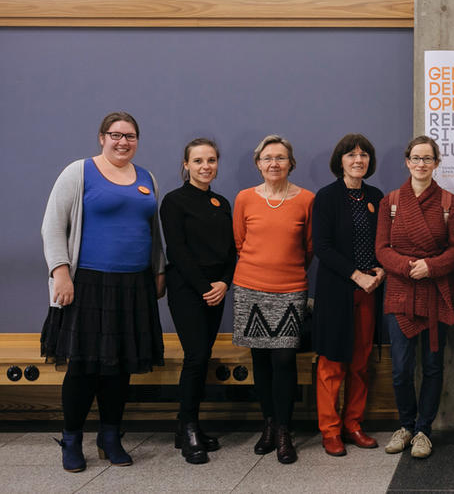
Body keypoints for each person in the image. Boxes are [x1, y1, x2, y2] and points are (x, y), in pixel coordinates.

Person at [41, 111, 166, 472]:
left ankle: (110, 437)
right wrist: (61, 273)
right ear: (101, 137)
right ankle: (71, 439)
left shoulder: (147, 178)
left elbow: (153, 231)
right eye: (115, 134)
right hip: (87, 285)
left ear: (137, 141)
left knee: (119, 368)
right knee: (82, 368)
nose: (122, 141)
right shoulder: (78, 172)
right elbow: (52, 225)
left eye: (130, 136)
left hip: (134, 286)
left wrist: (158, 271)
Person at [375, 135, 454, 459]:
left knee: (433, 365)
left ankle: (424, 429)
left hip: (435, 289)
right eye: (416, 158)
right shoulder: (391, 202)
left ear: (437, 163)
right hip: (400, 289)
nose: (421, 164)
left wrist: (431, 266)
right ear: (407, 162)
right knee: (400, 368)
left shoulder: (449, 202)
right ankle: (405, 425)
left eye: (428, 158)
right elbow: (381, 249)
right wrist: (407, 266)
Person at [232, 134, 314, 465]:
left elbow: (309, 247)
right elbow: (240, 241)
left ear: (290, 163)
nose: (274, 163)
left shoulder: (306, 199)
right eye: (267, 158)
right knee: (261, 361)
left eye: (280, 158)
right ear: (258, 164)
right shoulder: (244, 199)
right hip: (250, 287)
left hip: (291, 287)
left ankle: (284, 430)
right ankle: (268, 425)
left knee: (283, 360)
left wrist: (285, 271)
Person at [160, 138, 236, 464]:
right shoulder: (174, 202)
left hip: (216, 289)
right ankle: (189, 426)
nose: (205, 166)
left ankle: (185, 426)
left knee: (203, 357)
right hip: (187, 289)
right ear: (186, 165)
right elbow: (177, 251)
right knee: (196, 355)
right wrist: (206, 286)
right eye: (198, 161)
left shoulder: (222, 203)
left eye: (211, 160)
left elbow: (233, 250)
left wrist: (224, 283)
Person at [312, 134, 385, 458]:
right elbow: (322, 247)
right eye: (351, 154)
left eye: (364, 154)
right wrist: (355, 275)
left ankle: (353, 424)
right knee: (332, 363)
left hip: (369, 293)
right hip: (336, 292)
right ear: (340, 160)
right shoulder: (327, 198)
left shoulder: (376, 196)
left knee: (360, 362)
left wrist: (380, 269)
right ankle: (330, 430)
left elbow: (384, 242)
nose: (358, 160)